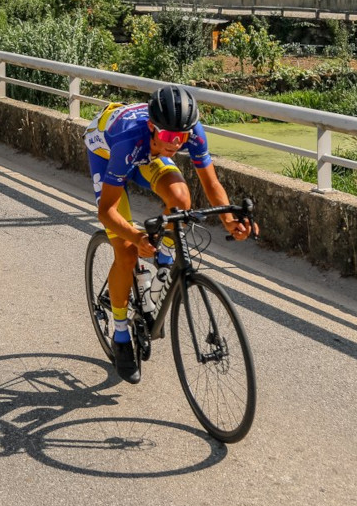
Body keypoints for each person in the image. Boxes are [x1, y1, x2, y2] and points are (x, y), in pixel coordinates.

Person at [85, 85, 255, 384]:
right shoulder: (129, 138)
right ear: (153, 127)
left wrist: (230, 220)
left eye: (181, 138)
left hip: (148, 155)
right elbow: (106, 212)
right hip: (108, 153)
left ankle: (164, 259)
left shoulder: (189, 132)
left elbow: (211, 183)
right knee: (125, 251)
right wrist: (137, 237)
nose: (175, 145)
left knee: (181, 199)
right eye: (167, 137)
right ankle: (121, 333)